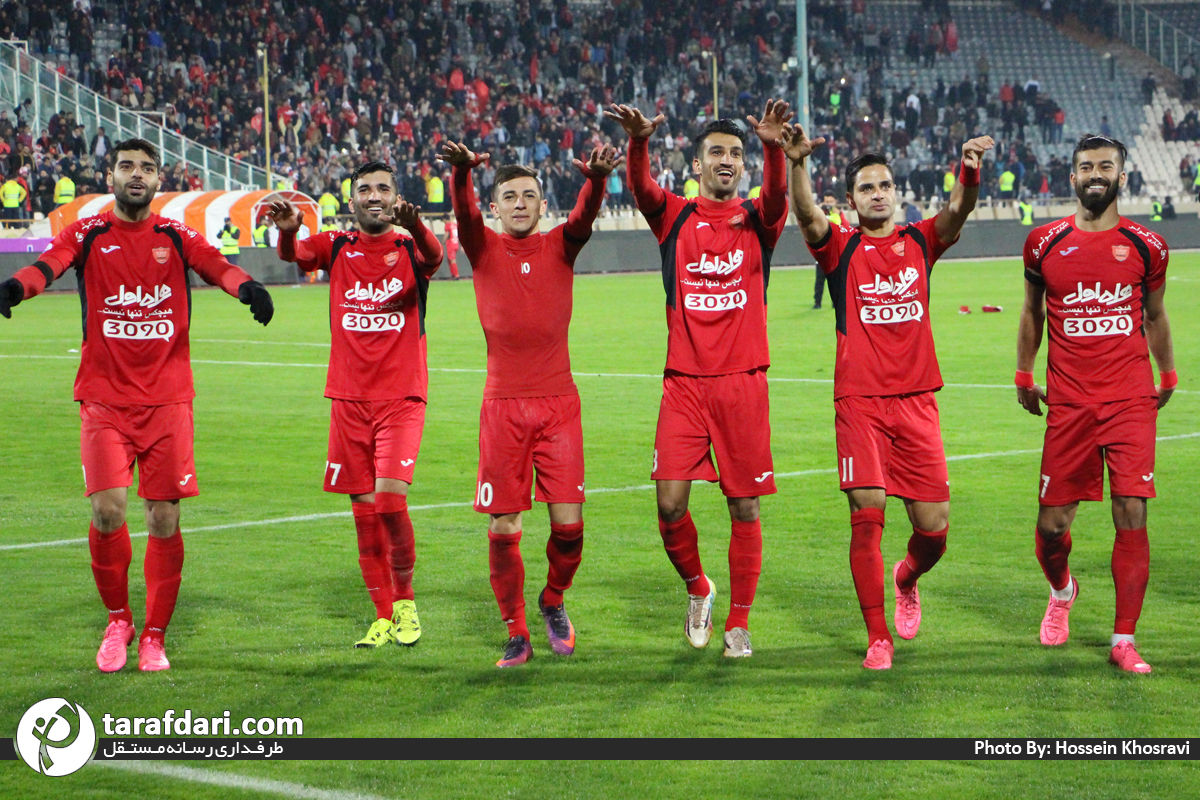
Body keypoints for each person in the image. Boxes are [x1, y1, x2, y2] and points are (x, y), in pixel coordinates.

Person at [0, 138, 274, 672]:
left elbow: (215, 264)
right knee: (107, 511)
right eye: (127, 166)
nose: (137, 175)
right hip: (103, 397)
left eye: (147, 169)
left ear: (156, 181)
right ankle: (118, 619)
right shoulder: (89, 232)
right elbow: (49, 264)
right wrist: (15, 287)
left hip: (168, 400)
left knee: (164, 518)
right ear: (111, 175)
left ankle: (153, 635)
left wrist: (248, 289)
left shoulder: (174, 233)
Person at [785, 120, 994, 670]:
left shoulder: (920, 242)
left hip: (918, 402)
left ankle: (907, 577)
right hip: (860, 403)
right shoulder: (840, 249)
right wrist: (797, 163)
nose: (877, 194)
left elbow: (960, 209)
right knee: (868, 509)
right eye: (866, 188)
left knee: (934, 530)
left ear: (895, 194)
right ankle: (878, 637)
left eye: (884, 186)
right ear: (851, 201)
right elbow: (806, 215)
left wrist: (969, 167)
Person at [605, 99, 792, 658]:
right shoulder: (676, 216)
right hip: (684, 383)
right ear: (696, 163)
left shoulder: (760, 218)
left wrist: (773, 146)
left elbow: (779, 195)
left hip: (742, 382)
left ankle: (739, 622)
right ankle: (698, 588)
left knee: (745, 507)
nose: (727, 160)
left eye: (736, 153)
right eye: (717, 151)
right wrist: (638, 142)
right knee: (668, 505)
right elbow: (640, 191)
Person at [438, 141, 618, 668]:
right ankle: (516, 631)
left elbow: (585, 215)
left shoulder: (562, 244)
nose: (520, 203)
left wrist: (599, 181)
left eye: (530, 196)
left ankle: (553, 599)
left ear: (544, 206)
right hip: (503, 407)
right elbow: (465, 212)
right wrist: (462, 173)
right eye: (510, 196)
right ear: (497, 207)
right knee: (504, 527)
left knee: (569, 527)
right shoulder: (483, 247)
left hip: (559, 404)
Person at [1016, 134, 1175, 674]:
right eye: (1086, 167)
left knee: (1131, 511)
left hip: (1130, 398)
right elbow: (1033, 312)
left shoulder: (1147, 245)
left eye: (1106, 166)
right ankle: (1062, 592)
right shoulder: (1043, 242)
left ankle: (1123, 639)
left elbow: (1153, 314)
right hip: (1070, 404)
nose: (1096, 174)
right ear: (1073, 178)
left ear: (1122, 176)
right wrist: (1023, 371)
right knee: (1053, 526)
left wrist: (1168, 371)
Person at [269, 162, 443, 649]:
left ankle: (406, 602)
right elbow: (298, 256)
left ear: (395, 198)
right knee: (364, 513)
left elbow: (435, 260)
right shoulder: (337, 245)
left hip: (401, 396)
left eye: (383, 188)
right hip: (348, 399)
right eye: (364, 188)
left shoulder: (409, 246)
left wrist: (418, 225)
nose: (373, 195)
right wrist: (289, 234)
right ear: (351, 201)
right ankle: (383, 616)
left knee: (389, 501)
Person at [813, 195, 842, 309]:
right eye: (827, 201)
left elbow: (839, 224)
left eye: (831, 201)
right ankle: (817, 302)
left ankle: (836, 303)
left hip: (835, 253)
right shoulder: (820, 212)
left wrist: (835, 214)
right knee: (819, 280)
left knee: (836, 280)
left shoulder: (839, 213)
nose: (829, 204)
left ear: (835, 201)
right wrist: (818, 208)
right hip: (822, 252)